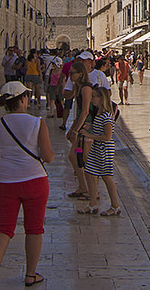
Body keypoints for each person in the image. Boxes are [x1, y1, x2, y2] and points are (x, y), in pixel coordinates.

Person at [0, 81, 54, 289]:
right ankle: (30, 275)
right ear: (23, 99)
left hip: (5, 181)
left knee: (3, 228)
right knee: (34, 228)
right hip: (35, 180)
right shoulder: (37, 123)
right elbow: (48, 156)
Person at [78, 86, 122, 216]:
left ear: (101, 98)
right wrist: (91, 126)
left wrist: (89, 135)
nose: (92, 99)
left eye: (94, 97)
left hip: (104, 149)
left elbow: (107, 137)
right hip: (97, 147)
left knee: (106, 176)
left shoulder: (107, 116)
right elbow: (100, 129)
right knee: (89, 173)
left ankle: (115, 206)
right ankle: (92, 204)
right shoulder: (99, 113)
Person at [65, 65, 94, 200]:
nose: (70, 76)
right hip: (80, 127)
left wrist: (76, 130)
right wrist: (71, 128)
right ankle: (83, 187)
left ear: (80, 74)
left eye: (72, 73)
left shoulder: (86, 88)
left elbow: (86, 111)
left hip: (87, 128)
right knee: (74, 156)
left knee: (86, 160)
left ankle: (92, 192)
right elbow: (78, 111)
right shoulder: (79, 88)